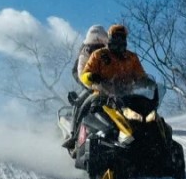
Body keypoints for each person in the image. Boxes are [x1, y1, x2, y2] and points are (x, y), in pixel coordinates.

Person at [63, 24, 149, 153]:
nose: (119, 41)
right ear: (110, 38)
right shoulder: (96, 54)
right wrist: (90, 78)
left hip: (126, 94)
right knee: (82, 104)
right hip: (100, 90)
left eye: (122, 37)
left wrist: (146, 82)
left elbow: (140, 74)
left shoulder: (132, 57)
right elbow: (83, 71)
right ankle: (75, 136)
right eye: (116, 37)